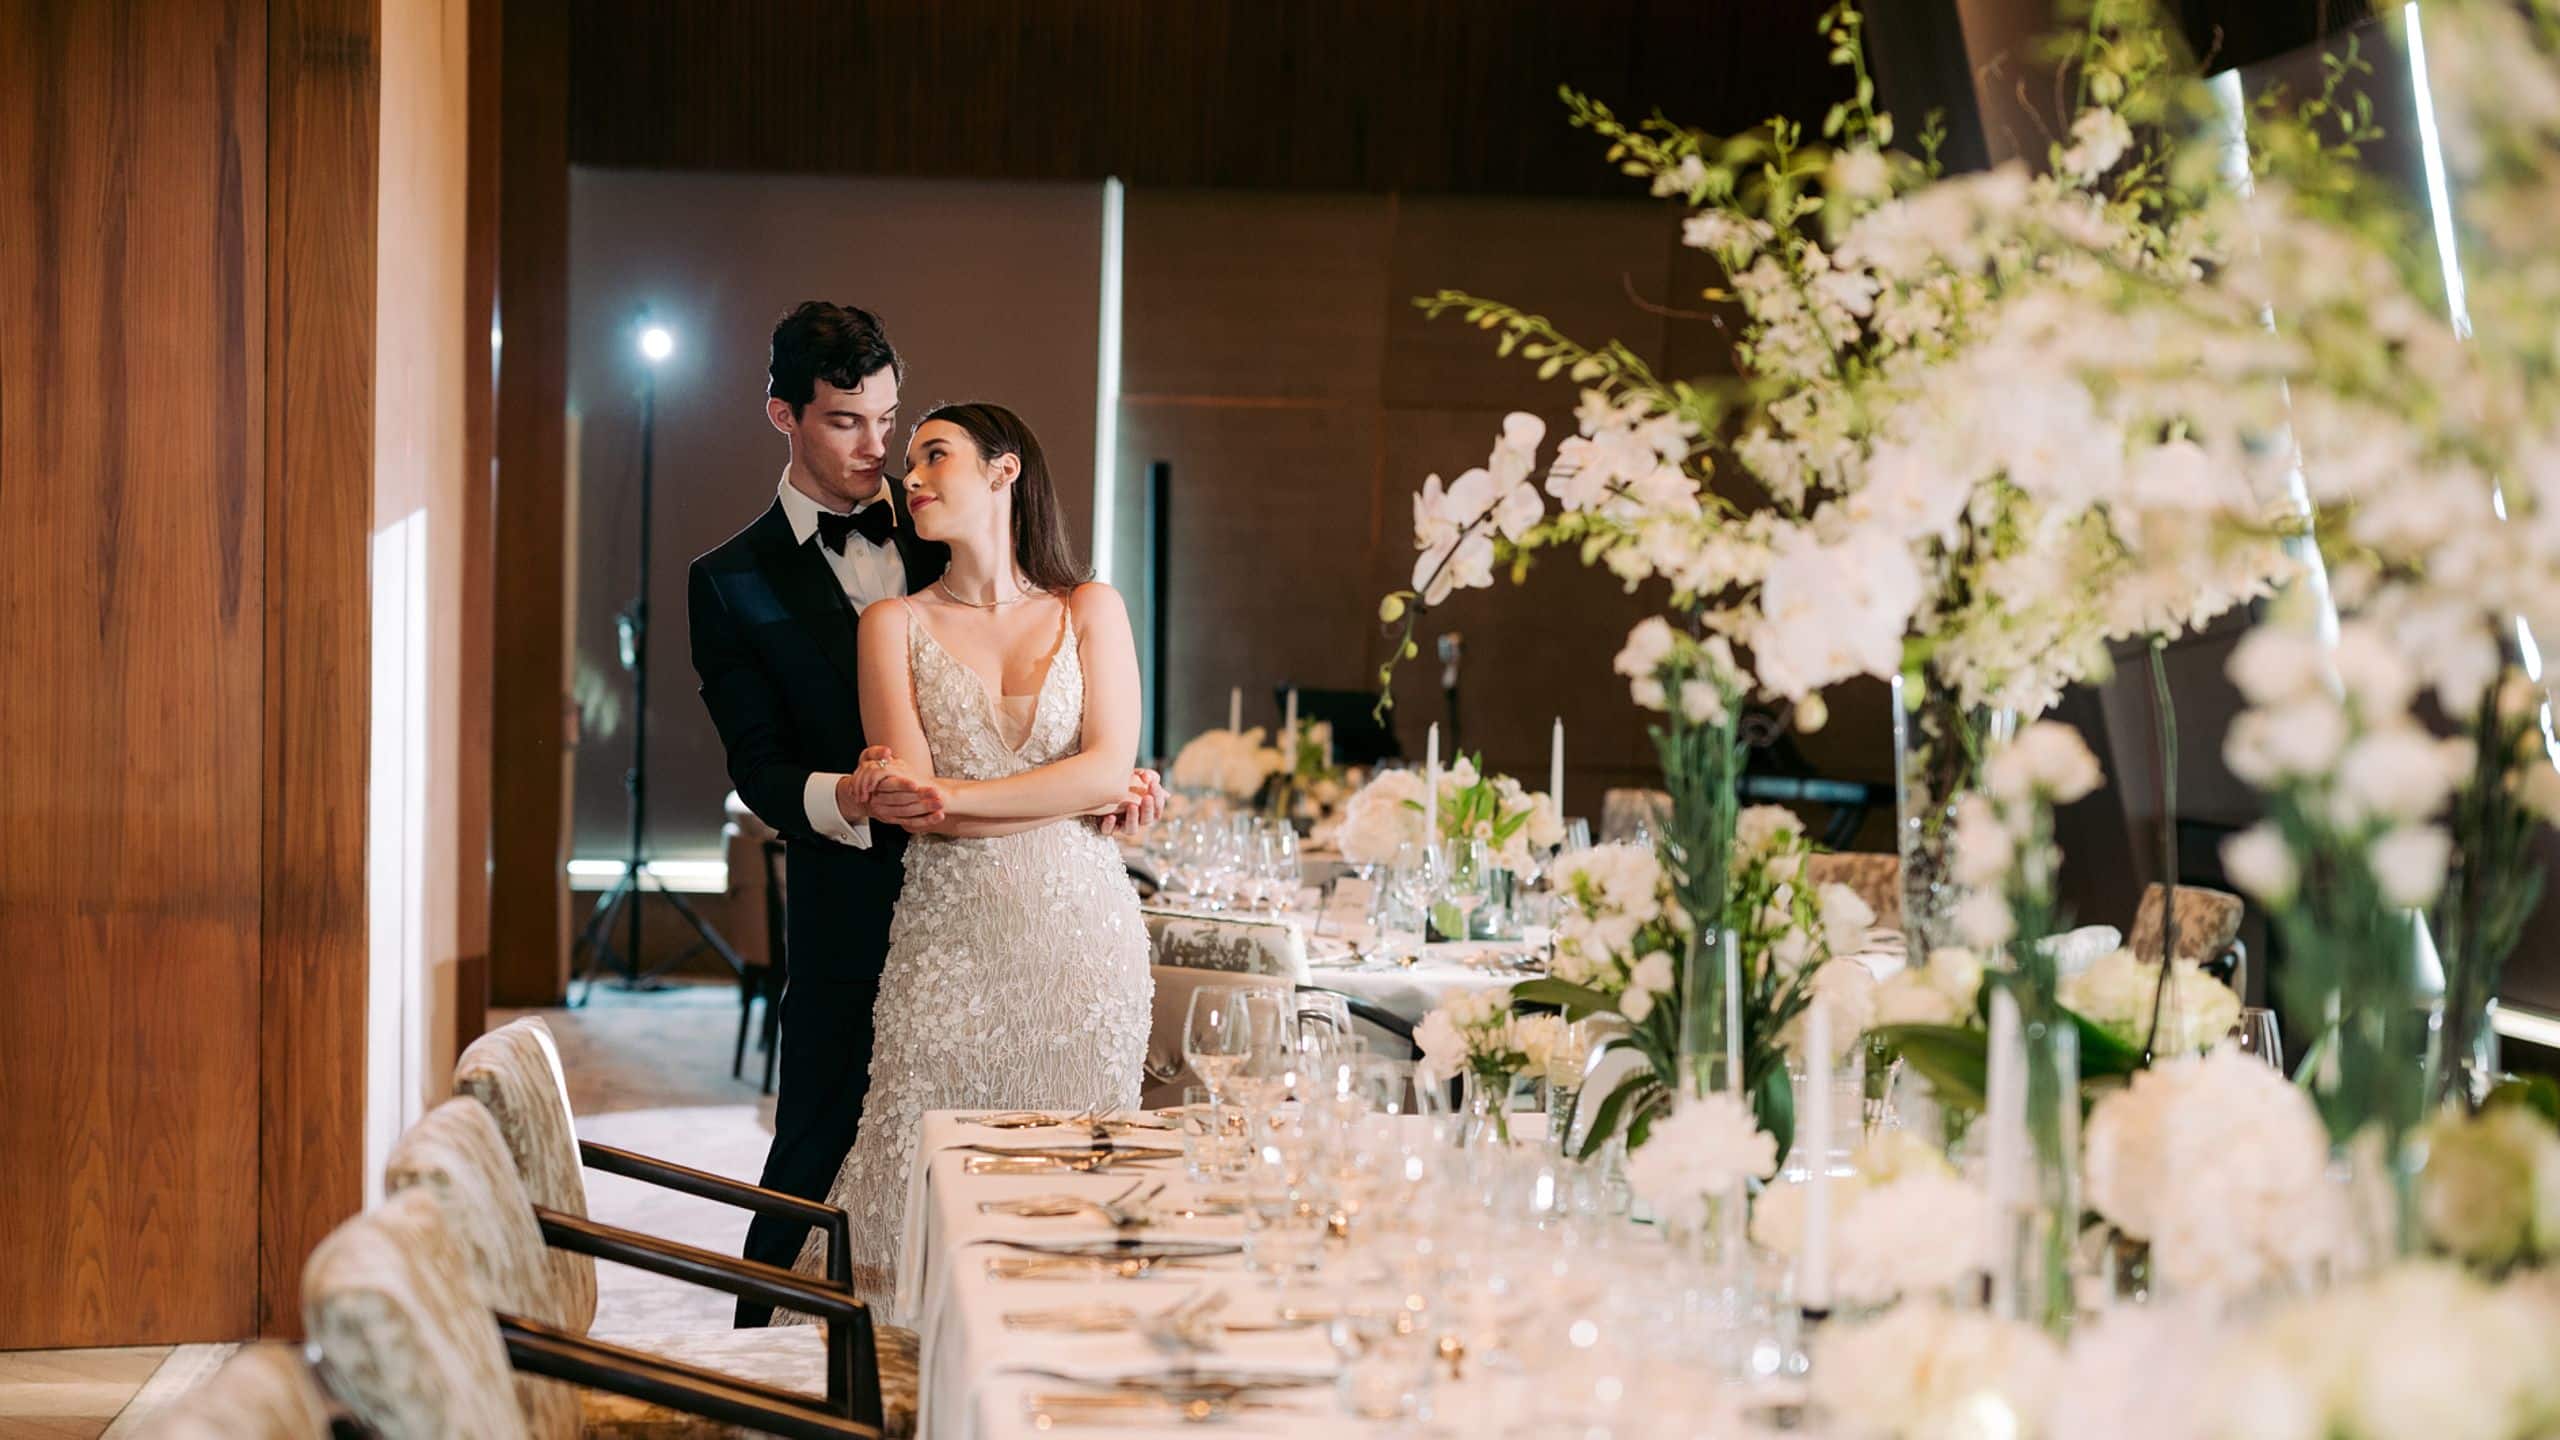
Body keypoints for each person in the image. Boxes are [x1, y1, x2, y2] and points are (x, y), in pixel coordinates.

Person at [687, 307, 1158, 1325]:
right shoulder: (727, 582)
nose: (881, 451)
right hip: (861, 909)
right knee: (821, 1154)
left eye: (891, 422)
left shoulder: (948, 526)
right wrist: (852, 795)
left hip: (1045, 921)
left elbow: (1076, 738)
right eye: (847, 422)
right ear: (784, 415)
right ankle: (768, 1366)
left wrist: (1108, 782)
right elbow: (760, 768)